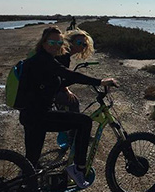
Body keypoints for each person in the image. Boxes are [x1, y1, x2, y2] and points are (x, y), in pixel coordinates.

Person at [19, 26, 117, 188]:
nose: (56, 45)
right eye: (51, 42)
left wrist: (74, 82)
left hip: (30, 114)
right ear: (43, 43)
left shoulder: (41, 58)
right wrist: (99, 81)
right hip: (39, 115)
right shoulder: (45, 60)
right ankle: (78, 169)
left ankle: (25, 185)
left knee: (31, 161)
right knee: (84, 122)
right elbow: (69, 75)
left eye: (59, 42)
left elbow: (60, 81)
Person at [54, 29, 95, 149]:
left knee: (70, 104)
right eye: (79, 43)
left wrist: (66, 88)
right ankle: (74, 137)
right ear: (71, 42)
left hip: (51, 87)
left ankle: (70, 134)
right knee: (73, 102)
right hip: (47, 91)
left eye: (84, 44)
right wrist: (72, 81)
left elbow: (60, 76)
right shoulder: (64, 54)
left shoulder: (65, 53)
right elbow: (61, 77)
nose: (82, 46)